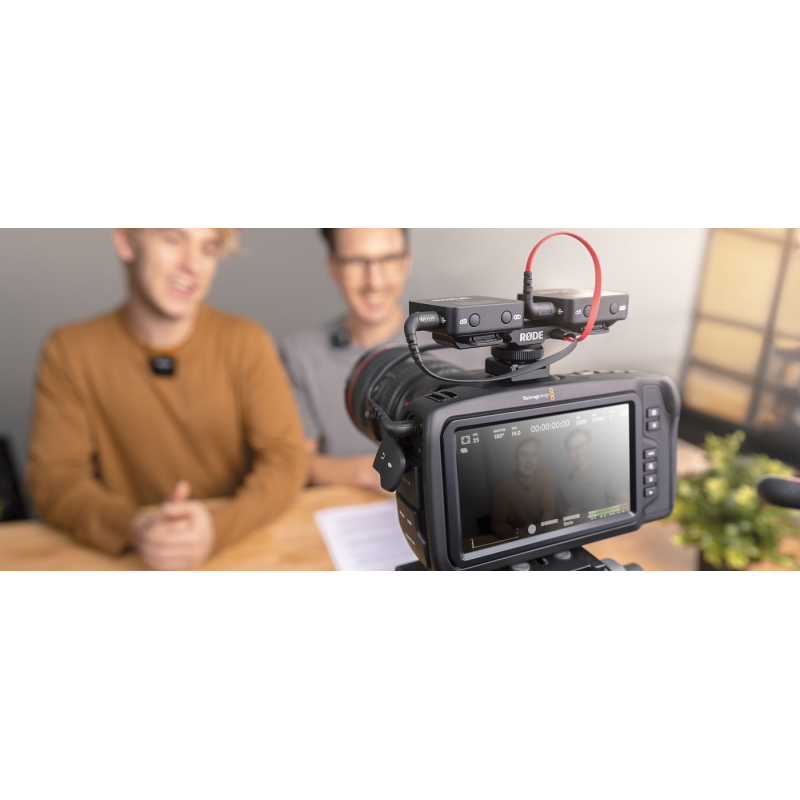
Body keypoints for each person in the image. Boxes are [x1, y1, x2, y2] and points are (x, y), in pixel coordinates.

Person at [27, 228, 307, 570]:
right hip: (131, 560)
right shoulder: (69, 351)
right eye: (173, 239)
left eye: (208, 248)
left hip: (237, 553)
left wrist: (215, 529)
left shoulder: (247, 342)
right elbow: (54, 479)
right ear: (125, 241)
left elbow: (285, 459)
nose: (193, 265)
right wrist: (134, 527)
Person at [280, 228, 413, 491]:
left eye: (388, 258)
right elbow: (298, 463)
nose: (374, 281)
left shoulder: (458, 344)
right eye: (355, 261)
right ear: (333, 266)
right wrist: (377, 472)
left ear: (406, 261)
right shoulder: (299, 355)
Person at [490, 437, 556, 540]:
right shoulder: (501, 485)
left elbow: (549, 509)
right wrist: (514, 534)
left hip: (542, 535)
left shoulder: (545, 476)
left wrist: (541, 528)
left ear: (539, 459)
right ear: (515, 459)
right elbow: (498, 523)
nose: (529, 461)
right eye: (524, 454)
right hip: (518, 539)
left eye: (534, 455)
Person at [556, 429, 629, 517]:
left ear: (589, 446)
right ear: (568, 453)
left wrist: (589, 515)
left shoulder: (608, 470)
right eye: (573, 448)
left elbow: (626, 503)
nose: (578, 452)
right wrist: (568, 514)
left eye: (582, 445)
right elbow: (559, 511)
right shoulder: (564, 481)